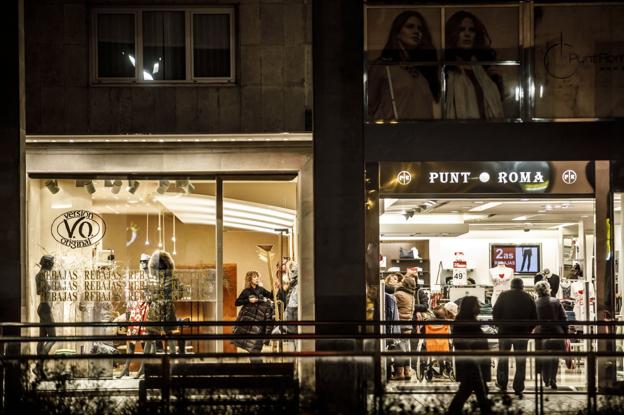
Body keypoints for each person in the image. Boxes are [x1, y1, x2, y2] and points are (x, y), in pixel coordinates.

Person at [368, 10, 440, 121]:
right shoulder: (383, 66)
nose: (416, 31)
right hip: (393, 133)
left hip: (424, 133)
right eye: (410, 27)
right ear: (397, 33)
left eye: (420, 29)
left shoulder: (424, 68)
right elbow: (369, 105)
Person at [444, 10, 504, 119]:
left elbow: (497, 105)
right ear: (453, 33)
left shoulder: (483, 69)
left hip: (487, 131)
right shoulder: (448, 70)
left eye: (471, 30)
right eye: (461, 30)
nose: (467, 34)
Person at [493, 277, 537, 397]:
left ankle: (502, 383)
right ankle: (518, 387)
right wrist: (528, 330)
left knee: (503, 359)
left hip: (504, 332)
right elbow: (535, 317)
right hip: (522, 334)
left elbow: (495, 312)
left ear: (511, 285)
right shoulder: (528, 297)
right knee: (520, 360)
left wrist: (499, 326)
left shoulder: (503, 295)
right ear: (522, 286)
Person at [448, 296, 492, 415]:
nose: (479, 307)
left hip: (473, 362)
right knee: (479, 391)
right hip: (472, 362)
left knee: (468, 390)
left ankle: (453, 411)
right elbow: (463, 343)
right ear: (470, 307)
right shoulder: (466, 322)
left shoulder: (464, 320)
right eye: (476, 304)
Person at [232, 271, 275, 362]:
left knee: (256, 346)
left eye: (257, 277)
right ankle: (255, 367)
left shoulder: (261, 289)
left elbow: (271, 296)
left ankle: (256, 366)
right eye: (254, 277)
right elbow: (237, 302)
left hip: (259, 321)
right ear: (249, 279)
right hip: (249, 321)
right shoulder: (246, 291)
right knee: (252, 346)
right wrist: (248, 300)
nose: (257, 279)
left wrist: (274, 287)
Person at [534, 280, 568, 389]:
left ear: (537, 291)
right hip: (556, 332)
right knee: (554, 357)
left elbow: (532, 319)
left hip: (541, 333)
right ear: (548, 289)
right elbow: (563, 318)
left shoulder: (535, 303)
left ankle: (546, 380)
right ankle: (553, 379)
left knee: (544, 357)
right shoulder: (556, 301)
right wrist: (565, 333)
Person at [393, 276, 428, 380]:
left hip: (399, 325)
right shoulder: (411, 295)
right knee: (406, 349)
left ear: (404, 284)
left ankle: (399, 373)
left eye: (402, 281)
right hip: (408, 325)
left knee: (399, 349)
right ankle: (407, 372)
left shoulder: (399, 295)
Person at [35, 255, 56, 378]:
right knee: (53, 337)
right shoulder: (43, 275)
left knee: (42, 338)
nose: (53, 265)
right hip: (45, 308)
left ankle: (40, 370)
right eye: (52, 263)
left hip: (43, 307)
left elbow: (39, 291)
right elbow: (42, 291)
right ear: (48, 263)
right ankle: (38, 365)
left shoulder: (40, 275)